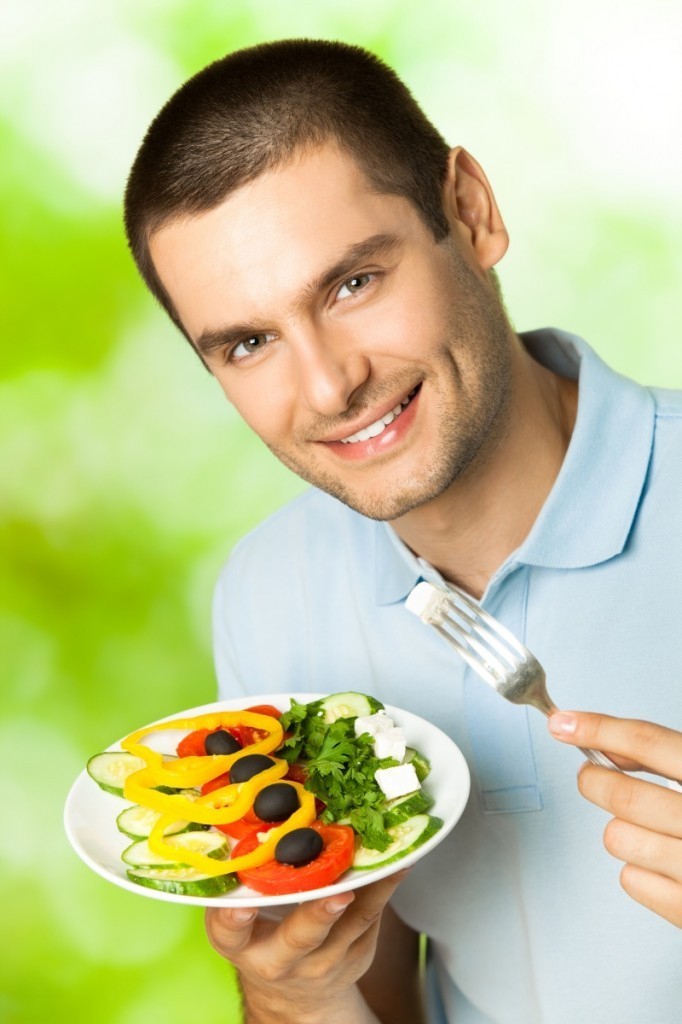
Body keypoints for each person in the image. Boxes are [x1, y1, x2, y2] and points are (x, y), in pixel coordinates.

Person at [123, 39, 682, 1024]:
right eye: (249, 343)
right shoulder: (271, 594)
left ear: (469, 211)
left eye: (351, 285)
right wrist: (291, 990)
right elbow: (367, 998)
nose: (330, 386)